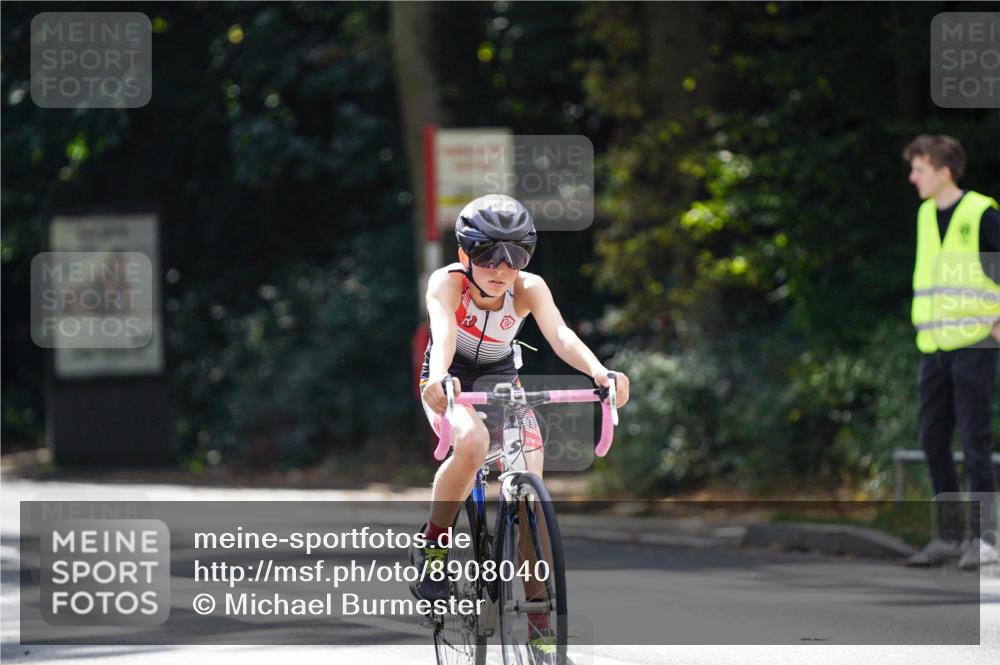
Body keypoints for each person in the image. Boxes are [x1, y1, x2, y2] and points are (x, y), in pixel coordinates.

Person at [410, 194, 630, 660]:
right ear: (464, 255)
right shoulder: (447, 284)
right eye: (488, 253)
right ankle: (432, 547)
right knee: (471, 443)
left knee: (530, 497)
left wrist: (599, 372)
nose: (501, 267)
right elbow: (443, 330)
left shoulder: (530, 287)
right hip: (449, 378)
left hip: (502, 380)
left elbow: (561, 334)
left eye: (515, 255)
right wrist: (439, 380)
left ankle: (538, 623)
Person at [902, 135, 1000, 569]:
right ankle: (949, 536)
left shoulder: (982, 212)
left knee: (974, 442)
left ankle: (986, 540)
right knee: (931, 440)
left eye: (919, 169)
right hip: (934, 346)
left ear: (944, 172)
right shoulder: (925, 215)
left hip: (975, 342)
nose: (912, 177)